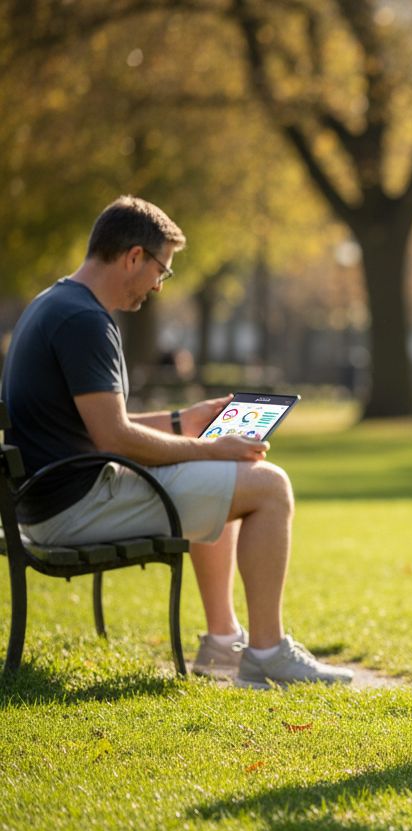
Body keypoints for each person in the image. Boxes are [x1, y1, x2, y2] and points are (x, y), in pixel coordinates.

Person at [0, 196, 352, 689]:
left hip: (51, 498)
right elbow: (114, 436)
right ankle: (266, 654)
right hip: (72, 508)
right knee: (269, 486)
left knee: (234, 484)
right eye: (161, 271)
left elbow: (96, 422)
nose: (159, 286)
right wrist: (213, 448)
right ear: (133, 257)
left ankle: (223, 641)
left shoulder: (54, 303)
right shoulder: (85, 321)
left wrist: (180, 420)